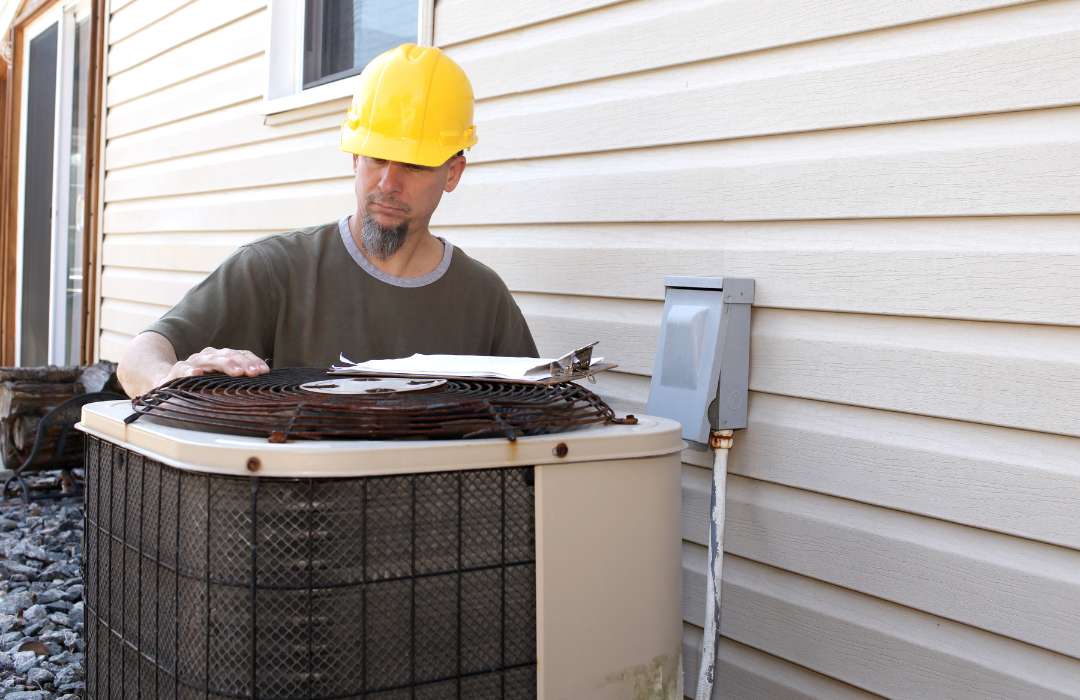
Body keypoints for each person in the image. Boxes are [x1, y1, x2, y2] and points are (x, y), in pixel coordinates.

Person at [117, 44, 538, 398]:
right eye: (375, 157)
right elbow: (138, 358)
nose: (388, 183)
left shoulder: (484, 300)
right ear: (355, 157)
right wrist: (168, 378)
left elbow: (538, 410)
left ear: (452, 173)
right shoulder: (276, 270)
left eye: (413, 164)